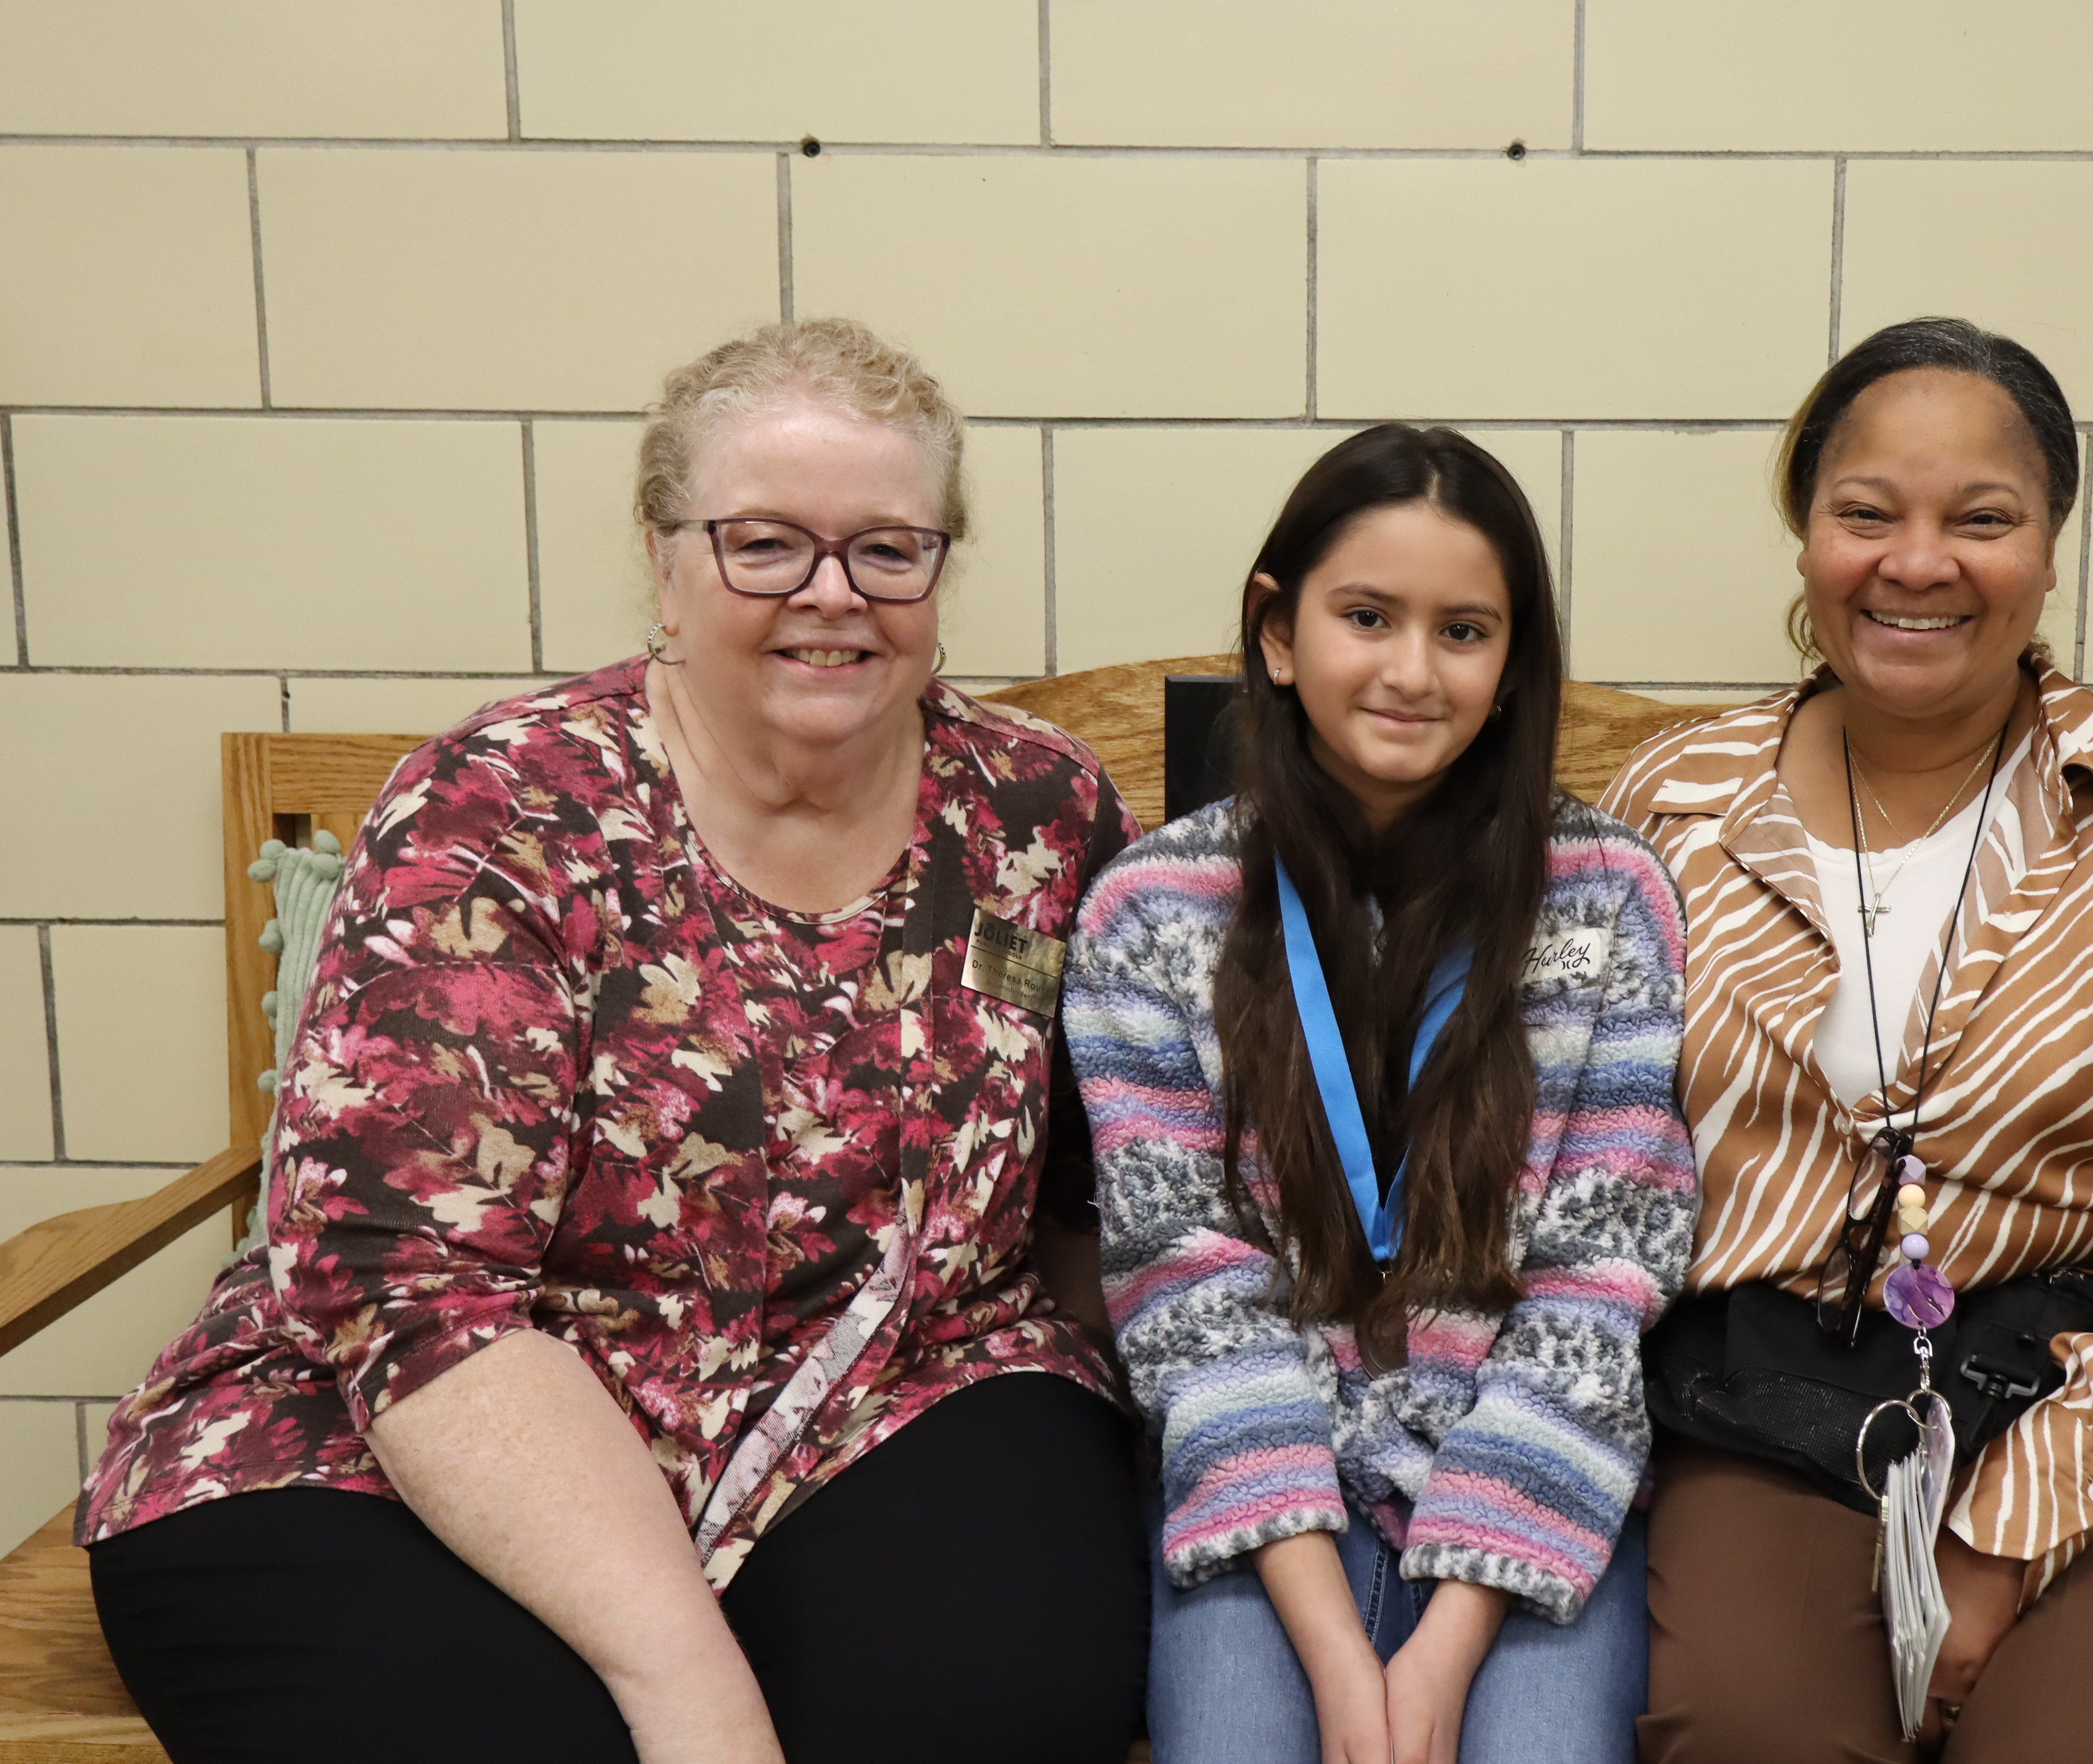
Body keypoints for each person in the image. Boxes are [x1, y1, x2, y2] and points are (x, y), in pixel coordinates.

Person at [78, 318, 1151, 1764]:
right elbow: (414, 1292)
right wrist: (685, 1680)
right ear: (663, 558)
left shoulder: (1037, 813)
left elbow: (1102, 1187)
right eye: (763, 543)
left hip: (890, 1396)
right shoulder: (499, 815)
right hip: (426, 1423)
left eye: (889, 548)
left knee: (994, 1692)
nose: (832, 596)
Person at [1602, 317, 2093, 1764]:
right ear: (1807, 536)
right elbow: (1573, 1143)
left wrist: (2002, 1544)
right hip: (1773, 1385)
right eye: (1866, 513)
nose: (1918, 561)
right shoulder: (1674, 803)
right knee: (1750, 1729)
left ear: (2051, 546)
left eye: (1982, 519)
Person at [1063, 424, 1698, 1764]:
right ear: (1278, 631)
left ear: (1515, 662)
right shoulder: (1150, 910)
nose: (1414, 669)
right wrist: (1344, 1658)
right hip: (1264, 1478)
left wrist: (1451, 1632)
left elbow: (1602, 1277)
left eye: (1464, 630)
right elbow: (1186, 1291)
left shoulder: (1609, 893)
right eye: (1367, 616)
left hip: (1531, 1460)